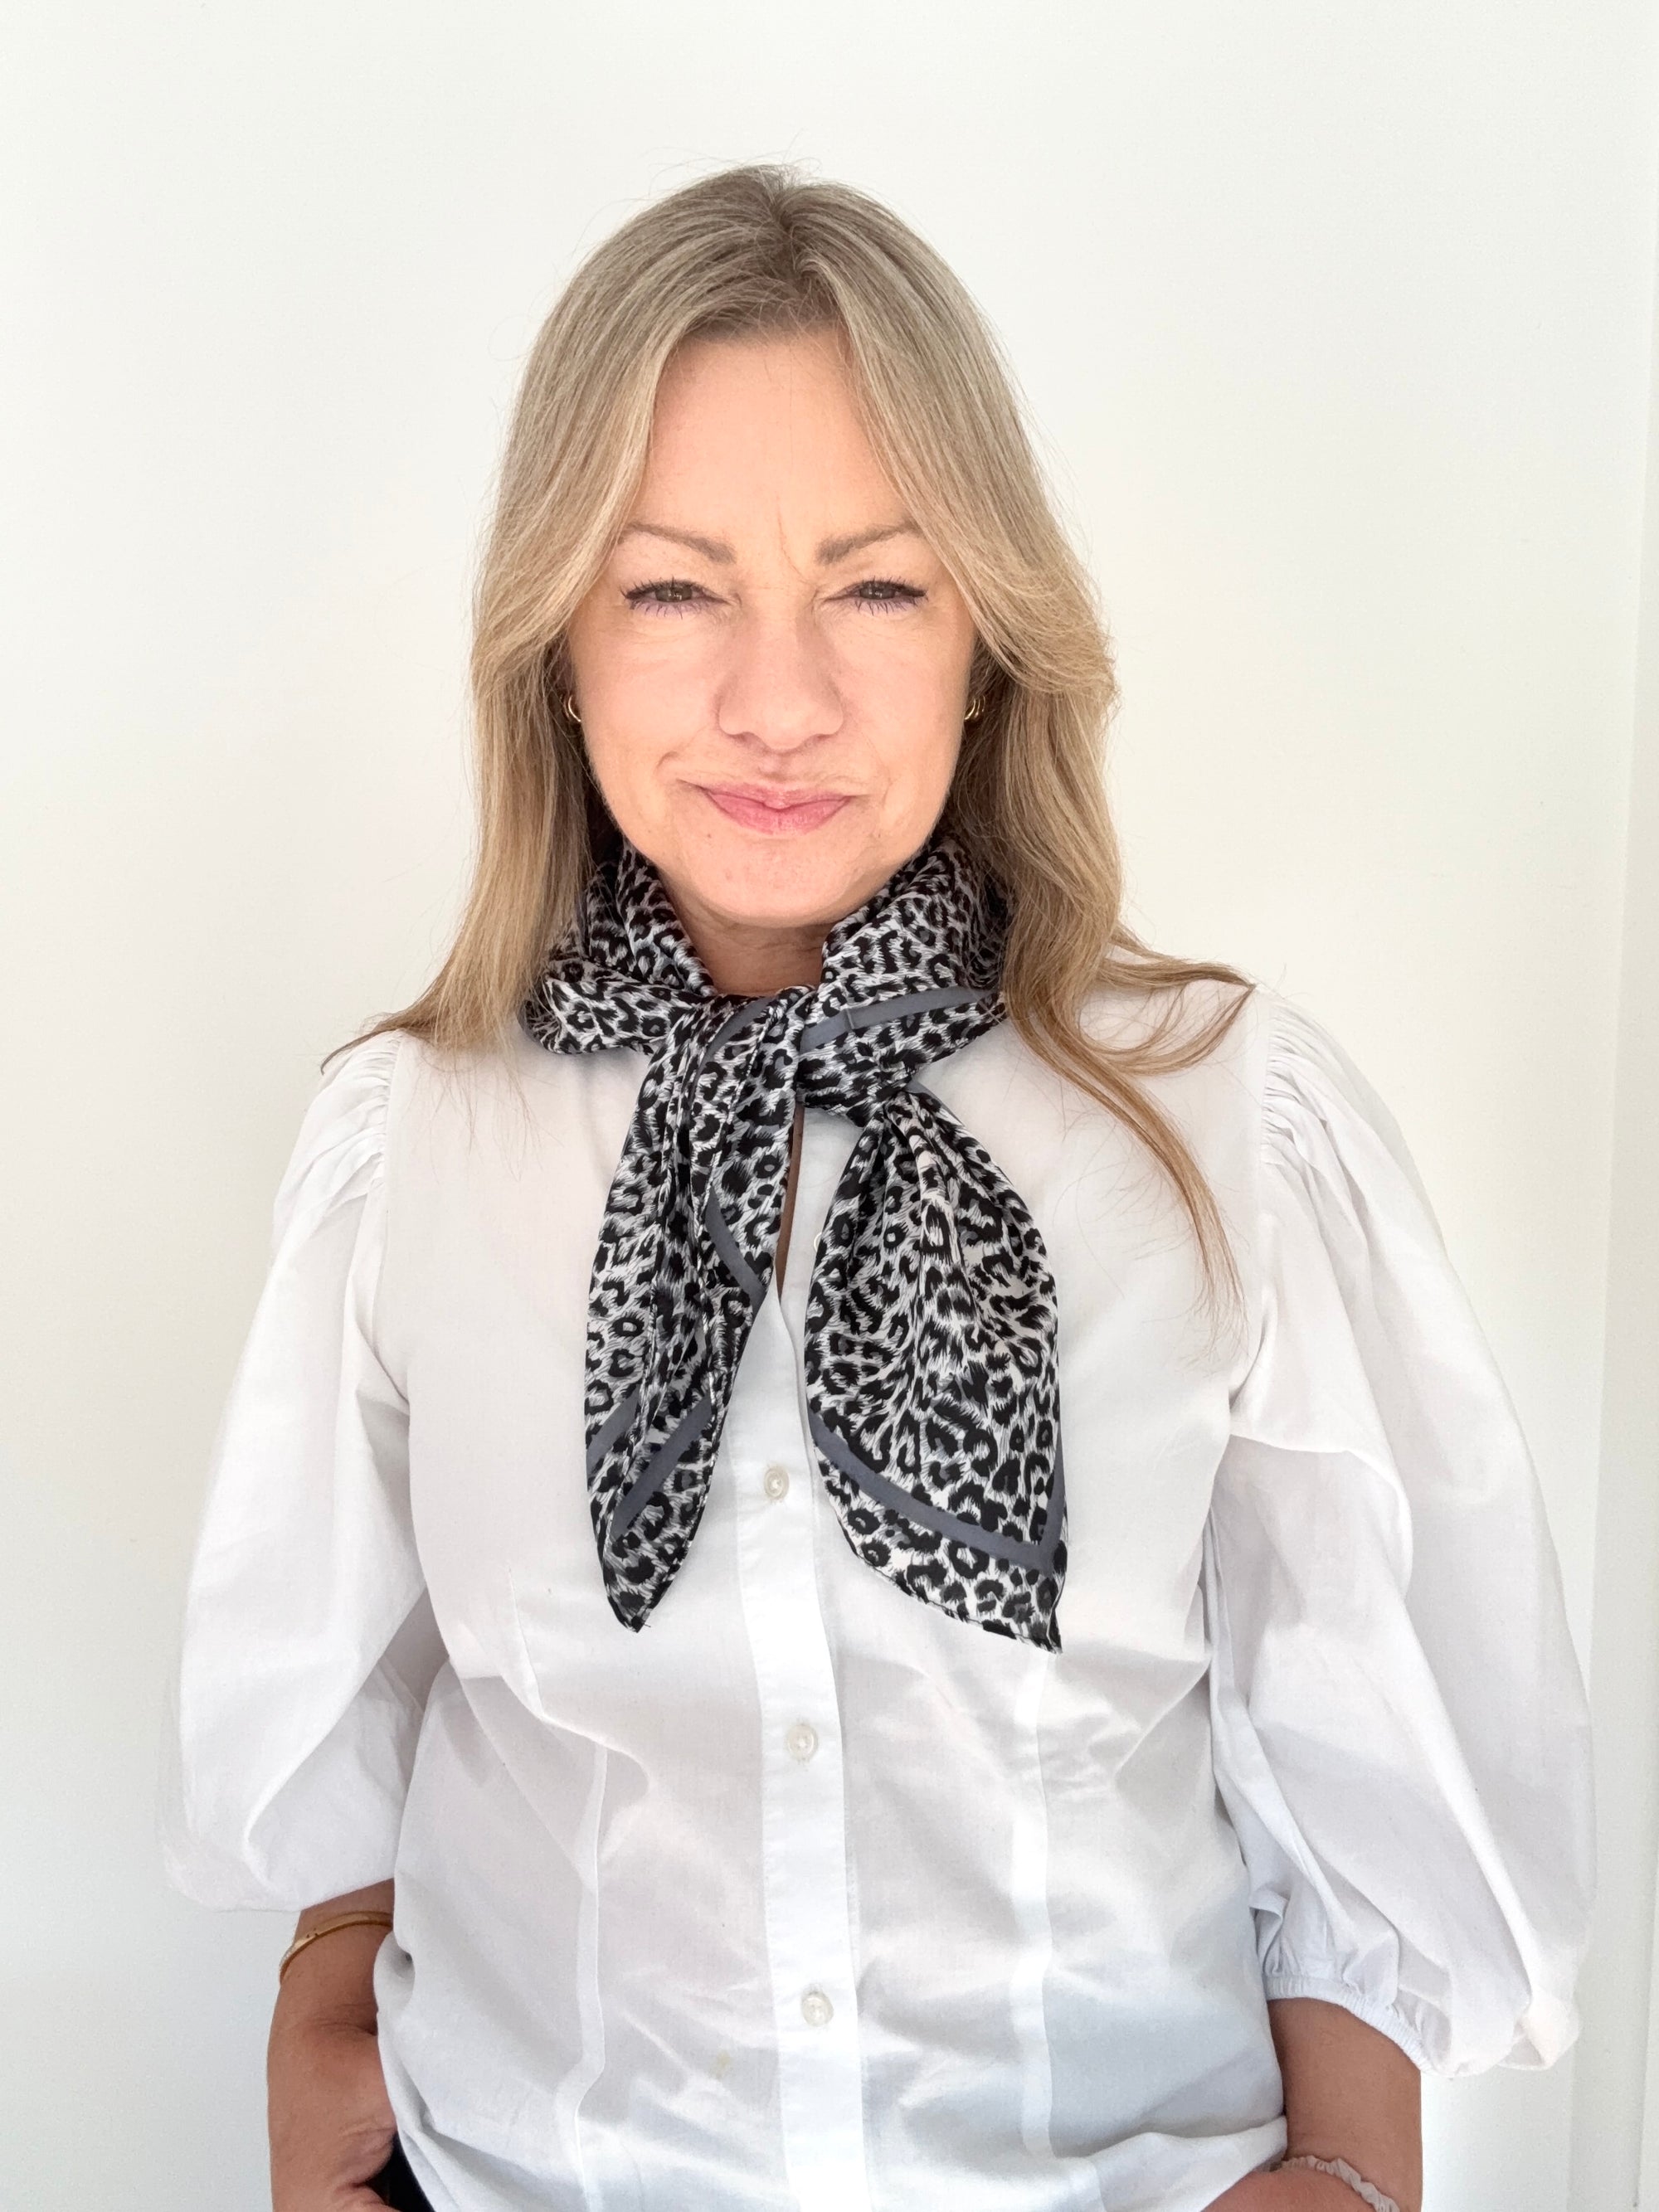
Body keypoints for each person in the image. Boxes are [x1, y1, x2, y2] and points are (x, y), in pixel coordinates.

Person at [162, 164, 1594, 2212]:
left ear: (988, 638)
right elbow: (340, 1727)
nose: (777, 697)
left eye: (878, 585)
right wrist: (322, 2069)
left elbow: (1356, 1732)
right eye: (669, 588)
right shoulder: (411, 1144)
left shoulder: (1225, 1122)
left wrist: (1351, 2178)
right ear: (556, 639)